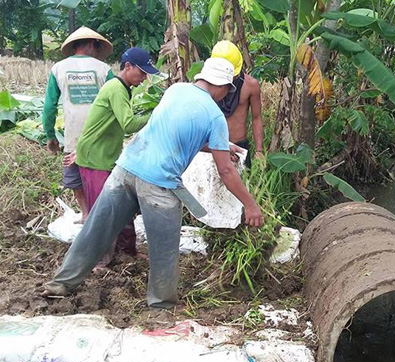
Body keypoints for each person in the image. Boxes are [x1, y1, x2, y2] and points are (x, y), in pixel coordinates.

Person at [42, 58, 264, 309]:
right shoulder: (214, 116)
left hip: (124, 169)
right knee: (164, 250)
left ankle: (62, 283)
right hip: (158, 185)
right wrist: (250, 205)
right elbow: (225, 169)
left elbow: (176, 133)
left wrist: (220, 147)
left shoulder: (175, 90)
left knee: (95, 229)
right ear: (224, 86)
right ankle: (160, 306)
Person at [75, 47, 159, 270]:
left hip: (107, 156)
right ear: (128, 66)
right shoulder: (116, 88)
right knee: (104, 211)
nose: (144, 78)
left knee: (122, 204)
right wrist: (158, 114)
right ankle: (99, 260)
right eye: (141, 72)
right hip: (95, 157)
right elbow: (129, 124)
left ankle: (127, 251)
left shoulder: (123, 88)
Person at [43, 26, 114, 219]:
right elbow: (115, 101)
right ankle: (99, 214)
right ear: (92, 44)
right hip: (100, 137)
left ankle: (85, 213)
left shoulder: (58, 69)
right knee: (102, 177)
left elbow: (49, 106)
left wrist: (50, 136)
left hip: (73, 136)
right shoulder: (104, 69)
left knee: (74, 179)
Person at [211, 40, 264, 167]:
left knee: (243, 186)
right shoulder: (208, 86)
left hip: (239, 147)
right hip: (213, 147)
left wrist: (259, 150)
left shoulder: (250, 85)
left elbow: (256, 118)